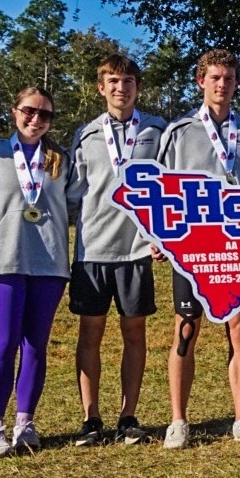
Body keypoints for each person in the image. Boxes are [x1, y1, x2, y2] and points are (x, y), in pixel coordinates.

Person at [157, 49, 240, 447]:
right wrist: (160, 237)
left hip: (237, 251)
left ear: (236, 83)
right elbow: (161, 189)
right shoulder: (179, 131)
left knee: (239, 332)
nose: (222, 84)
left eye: (228, 78)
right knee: (186, 331)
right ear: (200, 81)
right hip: (193, 248)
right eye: (215, 77)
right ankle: (179, 421)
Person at [66, 54, 167, 447]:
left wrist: (163, 236)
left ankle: (129, 416)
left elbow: (171, 187)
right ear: (100, 87)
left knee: (134, 333)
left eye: (127, 82)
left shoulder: (157, 131)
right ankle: (90, 418)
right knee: (90, 332)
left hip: (136, 250)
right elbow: (72, 193)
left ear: (137, 87)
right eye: (112, 81)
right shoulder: (86, 134)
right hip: (92, 250)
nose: (120, 88)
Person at [0, 87, 72, 457]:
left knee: (35, 345)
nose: (36, 120)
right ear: (14, 112)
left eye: (45, 115)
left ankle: (25, 421)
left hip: (49, 264)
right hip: (3, 261)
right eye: (29, 111)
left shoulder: (59, 159)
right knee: (3, 343)